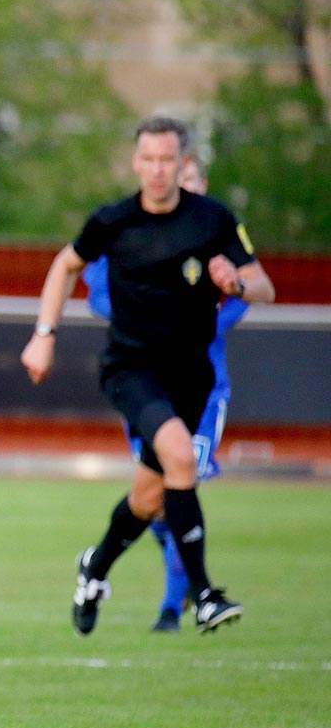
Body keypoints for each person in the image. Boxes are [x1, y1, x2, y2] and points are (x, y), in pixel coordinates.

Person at [22, 115, 274, 636]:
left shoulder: (213, 220)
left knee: (149, 496)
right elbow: (64, 265)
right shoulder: (113, 222)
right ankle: (203, 595)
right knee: (182, 456)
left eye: (168, 160)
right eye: (149, 160)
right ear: (136, 162)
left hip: (191, 377)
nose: (158, 170)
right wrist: (44, 334)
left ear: (182, 163)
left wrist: (238, 282)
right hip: (131, 370)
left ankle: (95, 568)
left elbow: (263, 285)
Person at [80, 154, 247, 632]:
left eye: (185, 178)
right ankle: (101, 566)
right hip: (146, 382)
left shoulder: (215, 230)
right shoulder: (128, 233)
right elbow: (94, 287)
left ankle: (179, 604)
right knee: (152, 498)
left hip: (200, 387)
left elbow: (250, 289)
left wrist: (216, 300)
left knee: (179, 475)